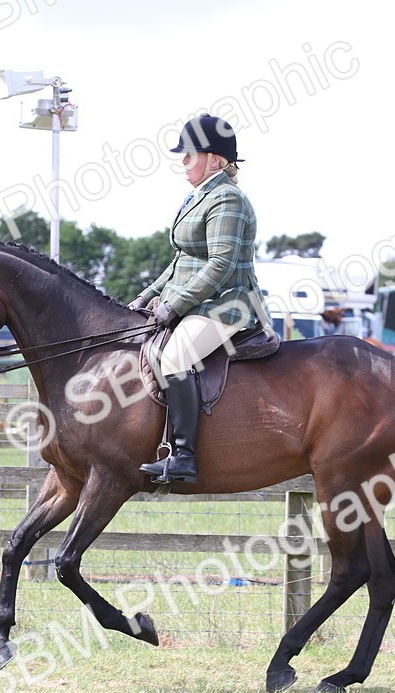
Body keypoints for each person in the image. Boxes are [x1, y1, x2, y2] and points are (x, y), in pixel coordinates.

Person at [127, 113, 273, 484]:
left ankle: (184, 457)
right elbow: (182, 261)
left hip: (230, 303)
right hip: (201, 301)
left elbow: (221, 264)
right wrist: (145, 298)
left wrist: (173, 305)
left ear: (215, 160)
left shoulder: (228, 199)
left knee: (175, 356)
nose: (183, 161)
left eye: (190, 154)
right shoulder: (196, 197)